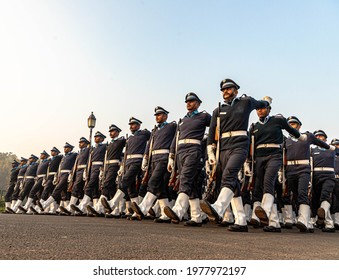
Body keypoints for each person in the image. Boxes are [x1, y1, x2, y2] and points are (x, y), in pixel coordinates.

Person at [200, 78, 269, 232]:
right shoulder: (217, 110)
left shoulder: (245, 102)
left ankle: (218, 208)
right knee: (234, 185)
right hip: (223, 147)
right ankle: (241, 220)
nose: (226, 91)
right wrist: (211, 151)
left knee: (229, 175)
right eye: (224, 89)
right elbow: (212, 132)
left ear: (236, 90)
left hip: (239, 145)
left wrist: (265, 102)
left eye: (229, 88)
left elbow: (261, 104)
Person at [248, 102, 306, 232]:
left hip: (274, 155)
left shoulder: (277, 120)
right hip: (259, 157)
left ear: (269, 109)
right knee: (262, 186)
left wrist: (300, 137)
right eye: (257, 109)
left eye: (263, 108)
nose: (260, 111)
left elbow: (290, 129)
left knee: (269, 181)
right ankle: (274, 223)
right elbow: (250, 145)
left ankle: (265, 210)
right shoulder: (254, 127)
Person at [164, 92, 211, 226]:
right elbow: (175, 139)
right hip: (181, 151)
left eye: (191, 101)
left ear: (198, 103)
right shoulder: (182, 120)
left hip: (194, 149)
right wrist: (171, 156)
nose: (188, 103)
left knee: (185, 178)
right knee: (192, 185)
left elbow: (215, 128)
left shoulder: (204, 116)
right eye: (187, 102)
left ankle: (178, 211)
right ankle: (196, 217)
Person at [282, 116, 331, 232]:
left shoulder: (307, 137)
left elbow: (320, 142)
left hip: (303, 169)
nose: (292, 126)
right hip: (290, 170)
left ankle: (303, 220)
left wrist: (331, 148)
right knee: (295, 194)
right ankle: (307, 221)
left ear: (299, 126)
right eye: (290, 124)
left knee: (303, 193)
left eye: (294, 124)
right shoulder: (286, 141)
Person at [131, 106, 177, 222]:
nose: (157, 117)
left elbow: (176, 139)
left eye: (160, 115)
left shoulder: (171, 126)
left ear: (165, 116)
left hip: (164, 158)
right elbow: (149, 145)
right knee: (160, 187)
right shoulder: (155, 130)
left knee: (153, 181)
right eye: (156, 115)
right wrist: (146, 157)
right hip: (153, 159)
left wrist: (172, 156)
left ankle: (143, 207)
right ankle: (165, 214)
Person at [101, 117, 151, 215]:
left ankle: (113, 203)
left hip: (137, 161)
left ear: (139, 125)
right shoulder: (130, 138)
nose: (131, 126)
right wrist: (122, 166)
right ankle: (137, 211)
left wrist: (146, 157)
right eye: (130, 125)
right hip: (127, 162)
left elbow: (153, 139)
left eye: (133, 124)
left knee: (125, 181)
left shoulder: (144, 134)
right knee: (131, 188)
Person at [87, 126, 125, 216]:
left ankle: (98, 207)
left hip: (114, 165)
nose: (111, 133)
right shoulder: (109, 145)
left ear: (118, 132)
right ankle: (115, 210)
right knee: (111, 189)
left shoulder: (121, 141)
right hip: (107, 166)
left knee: (106, 184)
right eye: (110, 131)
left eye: (113, 131)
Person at [72, 131, 106, 215]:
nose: (96, 138)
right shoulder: (93, 149)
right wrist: (86, 171)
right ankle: (95, 209)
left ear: (102, 138)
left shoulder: (104, 146)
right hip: (90, 169)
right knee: (93, 189)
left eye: (98, 137)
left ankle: (82, 206)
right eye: (95, 137)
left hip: (98, 167)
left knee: (89, 186)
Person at [37, 143, 77, 214]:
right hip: (60, 175)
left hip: (67, 174)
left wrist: (71, 173)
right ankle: (68, 209)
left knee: (57, 189)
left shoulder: (72, 155)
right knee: (64, 192)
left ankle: (45, 204)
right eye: (64, 147)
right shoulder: (64, 157)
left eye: (67, 147)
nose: (65, 149)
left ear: (70, 149)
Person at [311, 130, 338, 232]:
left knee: (325, 196)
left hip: (329, 175)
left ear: (325, 139)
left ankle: (325, 217)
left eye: (321, 136)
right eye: (316, 136)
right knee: (316, 198)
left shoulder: (332, 149)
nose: (319, 137)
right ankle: (328, 223)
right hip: (316, 175)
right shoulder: (312, 151)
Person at [59, 137, 90, 215]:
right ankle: (81, 210)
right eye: (79, 142)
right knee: (79, 191)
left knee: (76, 188)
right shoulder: (79, 153)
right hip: (77, 172)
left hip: (84, 170)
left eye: (82, 142)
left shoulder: (87, 150)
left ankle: (70, 207)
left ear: (86, 144)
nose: (80, 144)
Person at [331, 138, 339, 230]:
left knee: (337, 200)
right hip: (330, 178)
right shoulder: (329, 155)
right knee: (330, 200)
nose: (336, 147)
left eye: (338, 145)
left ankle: (337, 221)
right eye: (335, 145)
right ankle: (330, 220)